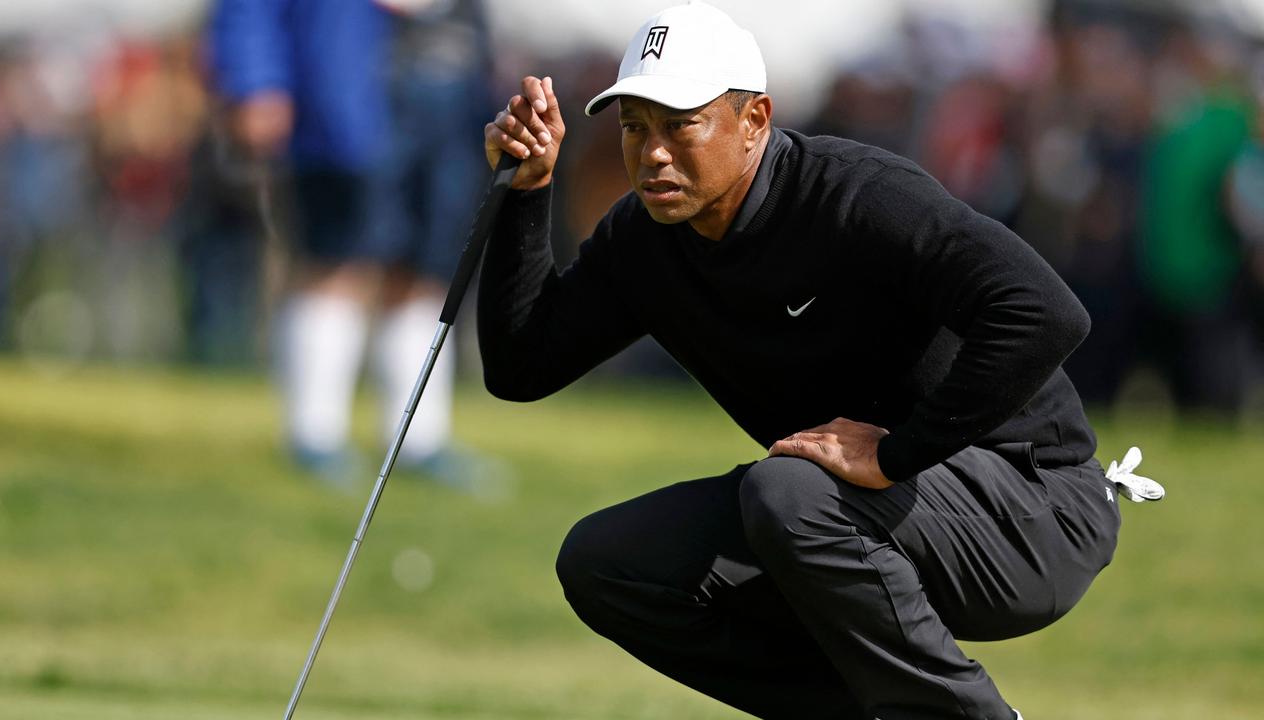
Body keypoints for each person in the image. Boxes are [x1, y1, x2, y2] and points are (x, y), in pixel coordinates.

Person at [478, 3, 1155, 719]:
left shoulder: (856, 194)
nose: (653, 153)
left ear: (755, 120)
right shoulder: (645, 238)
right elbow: (522, 365)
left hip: (1036, 510)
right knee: (607, 562)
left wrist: (899, 452)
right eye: (634, 127)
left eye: (681, 125)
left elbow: (1046, 311)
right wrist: (526, 196)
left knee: (789, 494)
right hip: (868, 509)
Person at [208, 0, 498, 486]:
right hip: (344, 82)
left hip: (451, 90)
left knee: (427, 266)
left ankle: (418, 440)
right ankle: (314, 435)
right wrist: (253, 79)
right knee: (336, 257)